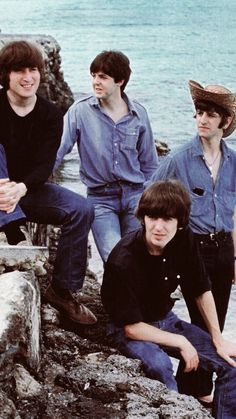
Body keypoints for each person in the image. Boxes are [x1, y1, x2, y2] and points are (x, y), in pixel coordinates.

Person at [101, 180, 236, 419]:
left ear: (180, 223)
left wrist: (218, 338)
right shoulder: (123, 259)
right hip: (129, 328)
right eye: (153, 218)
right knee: (161, 366)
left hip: (166, 319)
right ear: (142, 218)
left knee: (232, 364)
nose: (159, 227)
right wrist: (182, 343)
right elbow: (131, 328)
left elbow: (201, 290)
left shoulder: (185, 240)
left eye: (168, 219)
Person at [0, 40, 96, 325]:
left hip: (27, 190)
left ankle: (62, 290)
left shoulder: (52, 114)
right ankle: (13, 226)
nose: (28, 77)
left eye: (33, 69)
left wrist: (21, 189)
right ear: (6, 75)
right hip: (2, 189)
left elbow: (45, 165)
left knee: (82, 209)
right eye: (19, 70)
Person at [151, 80, 236, 405]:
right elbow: (151, 197)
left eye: (210, 114)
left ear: (224, 122)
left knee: (217, 318)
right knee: (203, 324)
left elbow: (235, 213)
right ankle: (198, 392)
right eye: (199, 113)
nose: (202, 119)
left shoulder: (233, 161)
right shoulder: (180, 158)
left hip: (224, 247)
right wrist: (161, 244)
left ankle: (198, 387)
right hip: (192, 248)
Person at [55, 50, 158, 263]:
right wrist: (28, 182)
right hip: (100, 199)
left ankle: (129, 297)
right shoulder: (79, 111)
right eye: (93, 75)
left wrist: (150, 202)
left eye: (102, 77)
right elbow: (57, 150)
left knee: (138, 259)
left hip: (135, 198)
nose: (95, 82)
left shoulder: (139, 114)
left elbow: (149, 165)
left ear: (120, 80)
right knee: (115, 258)